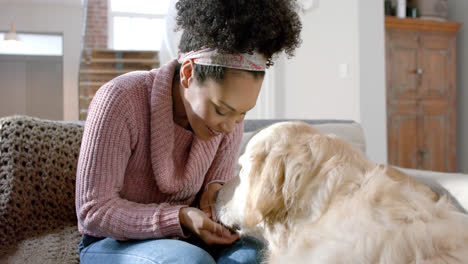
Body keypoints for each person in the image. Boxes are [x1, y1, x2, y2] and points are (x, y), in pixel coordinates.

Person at [75, 0, 302, 263]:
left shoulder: (229, 123)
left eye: (243, 113)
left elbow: (214, 191)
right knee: (189, 261)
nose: (230, 126)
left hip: (188, 236)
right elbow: (94, 211)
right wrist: (179, 217)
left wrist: (216, 201)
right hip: (113, 240)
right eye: (221, 109)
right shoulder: (120, 99)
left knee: (256, 255)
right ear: (187, 74)